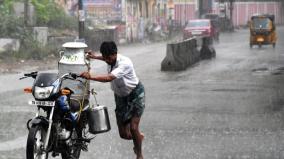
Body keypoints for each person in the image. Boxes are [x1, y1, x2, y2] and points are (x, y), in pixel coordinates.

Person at [80, 41, 145, 159]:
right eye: (105, 58)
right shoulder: (108, 58)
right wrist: (94, 57)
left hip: (135, 94)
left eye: (108, 58)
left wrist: (91, 76)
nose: (107, 60)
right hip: (120, 96)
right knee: (124, 134)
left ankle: (139, 154)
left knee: (133, 127)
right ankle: (138, 138)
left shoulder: (125, 63)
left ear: (115, 53)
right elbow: (104, 58)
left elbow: (109, 78)